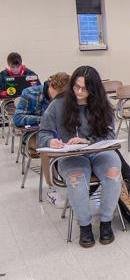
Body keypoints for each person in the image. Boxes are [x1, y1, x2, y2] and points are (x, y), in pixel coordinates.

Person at [38, 66, 122, 248]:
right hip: (71, 155)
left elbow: (110, 135)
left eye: (84, 89)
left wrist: (88, 140)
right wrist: (51, 141)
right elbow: (42, 133)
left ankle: (106, 222)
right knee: (76, 179)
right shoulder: (59, 104)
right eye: (76, 87)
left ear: (94, 89)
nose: (79, 92)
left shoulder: (102, 104)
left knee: (113, 173)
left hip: (99, 151)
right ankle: (85, 226)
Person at [13, 72, 70, 208]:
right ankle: (52, 190)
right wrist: (44, 119)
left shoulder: (68, 96)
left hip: (60, 133)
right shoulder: (29, 93)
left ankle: (76, 183)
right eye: (58, 95)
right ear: (50, 86)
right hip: (34, 134)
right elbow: (17, 118)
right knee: (47, 146)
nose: (61, 100)